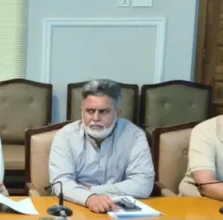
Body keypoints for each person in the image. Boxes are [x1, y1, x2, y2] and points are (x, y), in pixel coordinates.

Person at [47, 80, 154, 213]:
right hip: (76, 207)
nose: (96, 118)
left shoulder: (135, 136)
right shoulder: (65, 136)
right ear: (82, 111)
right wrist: (89, 198)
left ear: (117, 113)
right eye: (90, 111)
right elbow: (60, 183)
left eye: (104, 112)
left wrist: (92, 191)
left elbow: (143, 184)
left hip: (119, 209)